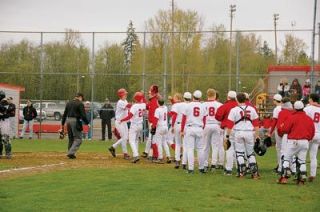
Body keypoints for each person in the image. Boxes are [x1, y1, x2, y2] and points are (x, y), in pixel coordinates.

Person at [278, 101, 315, 185]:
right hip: (305, 141)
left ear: (295, 108)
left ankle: (284, 177)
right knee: (302, 161)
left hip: (293, 141)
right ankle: (301, 180)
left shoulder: (292, 117)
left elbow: (285, 129)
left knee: (286, 157)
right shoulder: (308, 118)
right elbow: (312, 131)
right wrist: (307, 139)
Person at [225, 93, 260, 179]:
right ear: (245, 99)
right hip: (249, 133)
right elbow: (256, 124)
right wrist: (257, 135)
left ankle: (241, 172)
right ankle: (254, 173)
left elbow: (229, 125)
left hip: (238, 133)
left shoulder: (234, 110)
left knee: (240, 153)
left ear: (237, 100)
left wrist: (227, 136)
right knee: (250, 153)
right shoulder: (252, 109)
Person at [180, 90, 206, 174]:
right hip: (199, 127)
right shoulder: (203, 106)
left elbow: (183, 118)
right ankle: (201, 168)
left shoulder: (188, 105)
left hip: (190, 128)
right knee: (200, 149)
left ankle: (190, 169)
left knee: (190, 149)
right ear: (200, 97)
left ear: (193, 96)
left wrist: (182, 130)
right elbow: (204, 119)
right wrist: (203, 128)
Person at [215, 91, 238, 175]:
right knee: (239, 149)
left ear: (228, 97)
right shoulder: (239, 106)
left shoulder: (225, 106)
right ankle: (241, 167)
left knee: (229, 148)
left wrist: (223, 119)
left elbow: (218, 116)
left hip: (229, 129)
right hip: (240, 129)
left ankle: (229, 169)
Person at [61, 93, 90, 159]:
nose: (82, 100)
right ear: (80, 97)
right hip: (75, 121)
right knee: (78, 139)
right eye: (82, 99)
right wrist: (87, 123)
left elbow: (65, 114)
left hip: (68, 120)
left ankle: (70, 153)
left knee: (71, 138)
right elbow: (83, 115)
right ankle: (71, 153)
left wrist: (62, 124)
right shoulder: (80, 104)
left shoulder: (69, 103)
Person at [120, 92, 146, 163]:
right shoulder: (144, 104)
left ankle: (136, 155)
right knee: (136, 140)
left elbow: (129, 116)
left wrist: (122, 120)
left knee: (131, 141)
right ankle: (136, 153)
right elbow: (144, 100)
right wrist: (142, 96)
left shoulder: (135, 106)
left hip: (134, 125)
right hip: (140, 125)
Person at [202, 88, 224, 172]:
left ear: (207, 95)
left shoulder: (203, 104)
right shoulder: (219, 104)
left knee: (205, 146)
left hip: (206, 125)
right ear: (215, 95)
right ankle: (214, 164)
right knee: (215, 146)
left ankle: (205, 164)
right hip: (216, 125)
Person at [108, 88, 131, 160]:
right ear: (121, 95)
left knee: (126, 138)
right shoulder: (120, 102)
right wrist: (137, 104)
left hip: (124, 122)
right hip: (119, 122)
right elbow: (128, 107)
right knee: (124, 137)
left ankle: (113, 147)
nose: (126, 95)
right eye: (124, 94)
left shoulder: (125, 101)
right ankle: (125, 153)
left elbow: (128, 108)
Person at [303, 93, 320, 182]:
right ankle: (312, 174)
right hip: (318, 134)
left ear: (311, 99)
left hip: (309, 133)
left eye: (309, 98)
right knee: (313, 156)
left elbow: (302, 120)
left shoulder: (307, 108)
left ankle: (303, 174)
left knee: (303, 155)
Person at [276, 97, 295, 175]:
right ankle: (293, 169)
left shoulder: (282, 112)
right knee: (293, 152)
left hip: (285, 134)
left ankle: (281, 168)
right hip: (294, 134)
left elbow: (279, 126)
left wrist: (280, 134)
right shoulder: (294, 111)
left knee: (283, 151)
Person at [141, 85, 160, 160]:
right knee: (150, 138)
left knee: (153, 139)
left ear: (154, 93)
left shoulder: (155, 101)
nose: (148, 94)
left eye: (150, 93)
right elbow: (146, 106)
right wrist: (142, 97)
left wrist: (153, 124)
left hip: (154, 123)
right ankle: (147, 152)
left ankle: (152, 155)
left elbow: (154, 114)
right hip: (152, 123)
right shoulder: (152, 100)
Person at [152, 98, 171, 163]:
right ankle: (168, 156)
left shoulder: (158, 109)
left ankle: (160, 157)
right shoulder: (165, 107)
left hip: (160, 127)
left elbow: (155, 120)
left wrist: (153, 127)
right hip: (165, 127)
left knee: (159, 143)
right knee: (164, 142)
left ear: (158, 103)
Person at [170, 92, 186, 169]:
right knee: (185, 144)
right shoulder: (185, 104)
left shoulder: (175, 105)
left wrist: (172, 126)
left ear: (178, 98)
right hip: (185, 125)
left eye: (175, 97)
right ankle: (184, 162)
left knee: (178, 143)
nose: (174, 98)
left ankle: (177, 160)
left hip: (177, 124)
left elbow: (174, 115)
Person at [267, 94, 282, 173]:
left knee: (279, 148)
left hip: (279, 130)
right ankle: (287, 166)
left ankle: (280, 166)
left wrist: (270, 132)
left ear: (275, 100)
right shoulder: (285, 107)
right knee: (286, 148)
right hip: (286, 130)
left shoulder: (277, 108)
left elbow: (274, 121)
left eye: (273, 100)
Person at [0, 92, 12, 159]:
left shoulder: (5, 102)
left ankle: (8, 153)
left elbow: (3, 109)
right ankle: (0, 153)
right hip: (1, 120)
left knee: (5, 138)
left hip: (5, 121)